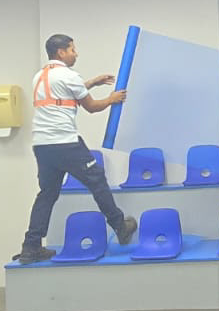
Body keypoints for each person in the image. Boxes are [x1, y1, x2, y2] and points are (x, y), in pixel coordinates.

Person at [15, 33, 137, 264]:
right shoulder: (69, 76)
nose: (76, 53)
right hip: (65, 142)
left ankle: (31, 247)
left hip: (42, 145)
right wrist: (112, 99)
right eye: (72, 49)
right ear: (61, 52)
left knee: (47, 194)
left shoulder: (40, 76)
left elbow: (63, 92)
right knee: (97, 179)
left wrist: (92, 83)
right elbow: (91, 107)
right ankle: (120, 226)